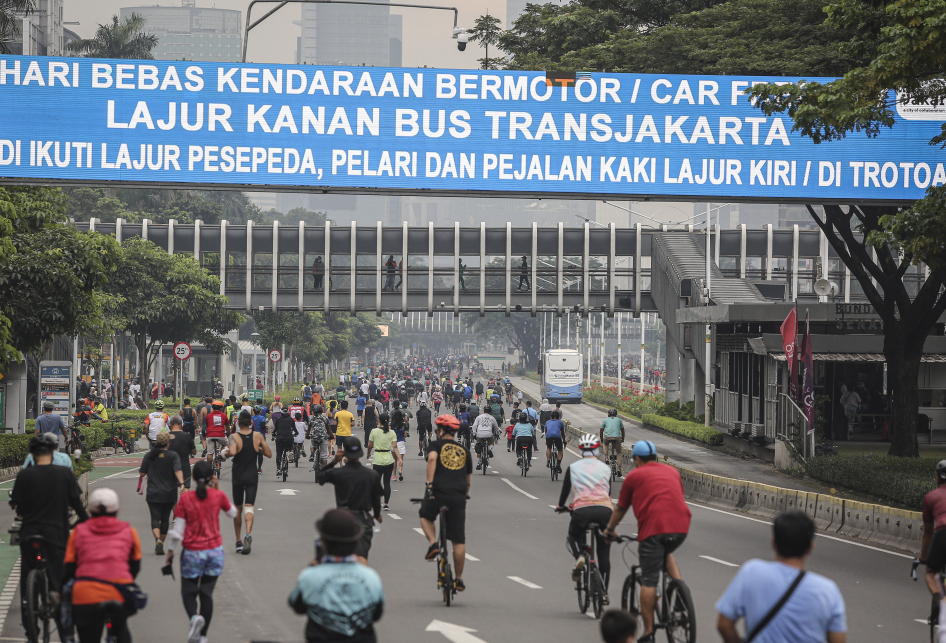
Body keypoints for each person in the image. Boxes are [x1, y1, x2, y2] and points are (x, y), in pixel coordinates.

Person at [604, 441, 691, 643]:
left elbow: (620, 509)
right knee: (666, 553)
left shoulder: (634, 476)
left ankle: (648, 633)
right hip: (681, 527)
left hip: (654, 530)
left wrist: (610, 530)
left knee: (649, 579)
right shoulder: (672, 472)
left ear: (637, 459)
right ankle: (679, 593)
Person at [716, 511, 847, 643]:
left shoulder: (752, 572)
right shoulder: (828, 590)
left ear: (773, 543)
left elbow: (724, 624)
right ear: (811, 548)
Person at [10, 434, 89, 638]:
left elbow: (17, 502)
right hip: (56, 534)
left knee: (28, 575)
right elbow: (77, 503)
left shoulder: (25, 475)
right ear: (53, 451)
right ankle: (65, 632)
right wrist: (86, 522)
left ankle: (31, 631)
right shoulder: (64, 473)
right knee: (59, 581)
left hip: (30, 533)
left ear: (33, 454)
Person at [165, 460, 238, 643]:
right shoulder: (218, 496)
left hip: (192, 553)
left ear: (194, 478)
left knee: (188, 592)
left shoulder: (186, 499)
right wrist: (219, 489)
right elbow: (233, 514)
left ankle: (193, 618)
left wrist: (170, 552)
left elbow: (178, 530)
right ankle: (203, 636)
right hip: (214, 552)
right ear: (211, 477)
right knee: (206, 593)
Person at [288, 509, 385, 643]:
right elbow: (376, 614)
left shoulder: (310, 577)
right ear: (356, 542)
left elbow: (297, 605)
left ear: (323, 541)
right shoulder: (371, 578)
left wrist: (314, 564)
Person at [64, 487, 142, 643]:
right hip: (119, 591)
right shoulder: (129, 531)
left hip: (86, 595)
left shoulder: (79, 531)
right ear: (117, 510)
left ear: (90, 511)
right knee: (121, 627)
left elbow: (69, 567)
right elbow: (135, 565)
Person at [418, 414, 472, 592]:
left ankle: (433, 544)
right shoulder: (464, 450)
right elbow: (468, 480)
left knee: (425, 515)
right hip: (457, 496)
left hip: (438, 493)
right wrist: (464, 495)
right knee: (458, 540)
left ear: (440, 431)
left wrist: (429, 485)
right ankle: (459, 579)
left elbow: (432, 459)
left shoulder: (435, 445)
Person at [556, 434, 614, 597]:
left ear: (580, 449)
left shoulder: (573, 468)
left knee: (573, 536)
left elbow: (565, 491)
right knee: (604, 553)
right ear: (596, 450)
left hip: (582, 510)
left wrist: (561, 506)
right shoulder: (606, 468)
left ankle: (580, 557)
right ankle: (604, 592)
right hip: (605, 511)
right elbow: (608, 492)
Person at [317, 437, 383, 561]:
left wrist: (334, 461)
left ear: (345, 453)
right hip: (363, 519)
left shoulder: (338, 473)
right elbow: (376, 498)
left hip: (342, 520)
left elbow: (320, 477)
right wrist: (378, 514)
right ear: (360, 453)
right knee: (361, 557)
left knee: (337, 556)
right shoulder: (371, 475)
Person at [225, 410, 271, 555]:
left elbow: (232, 452)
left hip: (238, 475)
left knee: (238, 508)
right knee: (249, 506)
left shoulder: (234, 436)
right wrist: (258, 448)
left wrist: (224, 454)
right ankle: (248, 533)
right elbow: (268, 453)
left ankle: (238, 541)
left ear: (238, 423)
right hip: (252, 476)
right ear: (251, 424)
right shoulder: (257, 436)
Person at [137, 432, 184, 555]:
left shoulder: (149, 455)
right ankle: (161, 542)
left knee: (155, 518)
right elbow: (177, 470)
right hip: (170, 492)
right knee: (165, 519)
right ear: (168, 442)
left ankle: (157, 539)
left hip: (153, 492)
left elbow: (142, 473)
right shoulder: (173, 455)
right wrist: (182, 483)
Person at [922, 459, 946, 632]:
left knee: (931, 573)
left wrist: (924, 558)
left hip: (942, 534)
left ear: (937, 479)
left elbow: (928, 532)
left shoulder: (930, 497)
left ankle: (938, 596)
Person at [367, 414, 401, 511]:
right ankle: (386, 504)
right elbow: (395, 447)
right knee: (387, 483)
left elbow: (370, 445)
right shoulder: (392, 432)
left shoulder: (374, 431)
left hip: (377, 459)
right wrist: (399, 458)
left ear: (379, 421)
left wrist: (368, 454)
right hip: (389, 460)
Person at [167, 415, 197, 490]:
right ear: (181, 424)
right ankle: (185, 501)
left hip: (169, 466)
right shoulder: (187, 436)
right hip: (184, 466)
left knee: (171, 490)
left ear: (170, 424)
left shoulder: (166, 436)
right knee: (185, 487)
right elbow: (194, 452)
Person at [270, 405, 298, 478]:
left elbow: (275, 430)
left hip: (279, 438)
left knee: (279, 453)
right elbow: (295, 430)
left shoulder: (278, 420)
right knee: (291, 443)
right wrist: (296, 433)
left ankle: (278, 469)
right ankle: (291, 452)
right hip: (289, 437)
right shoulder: (291, 420)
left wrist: (273, 434)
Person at [600, 408, 626, 477]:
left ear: (608, 415)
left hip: (607, 438)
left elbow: (601, 430)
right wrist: (622, 439)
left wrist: (601, 439)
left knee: (605, 444)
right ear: (616, 415)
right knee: (619, 452)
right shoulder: (619, 420)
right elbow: (622, 431)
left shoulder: (605, 420)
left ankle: (606, 457)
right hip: (617, 438)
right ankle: (619, 469)